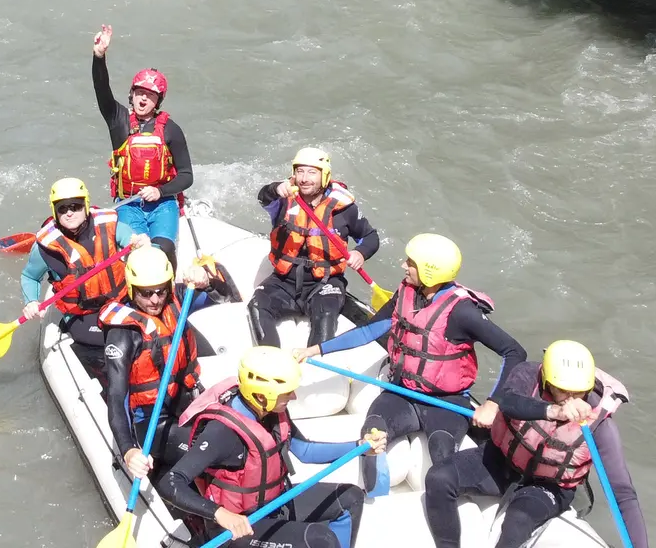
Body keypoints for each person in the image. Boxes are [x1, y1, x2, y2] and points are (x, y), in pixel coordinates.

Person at [297, 233, 527, 493]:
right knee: (371, 439)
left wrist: (492, 404)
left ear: (430, 271)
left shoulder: (462, 312)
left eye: (410, 262)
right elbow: (369, 331)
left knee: (443, 460)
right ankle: (377, 500)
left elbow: (514, 352)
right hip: (401, 394)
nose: (403, 266)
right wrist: (316, 349)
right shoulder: (407, 292)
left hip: (447, 403)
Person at [423, 339, 649, 548]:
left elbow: (623, 494)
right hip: (501, 461)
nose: (570, 398)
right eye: (561, 390)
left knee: (517, 522)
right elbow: (509, 402)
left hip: (549, 486)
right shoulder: (527, 375)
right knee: (438, 478)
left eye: (578, 392)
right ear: (545, 380)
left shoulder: (601, 426)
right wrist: (554, 411)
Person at [158, 346, 385, 547]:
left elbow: (305, 451)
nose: (294, 396)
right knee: (320, 539)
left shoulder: (271, 412)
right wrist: (220, 514)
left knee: (351, 497)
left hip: (275, 504)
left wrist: (359, 447)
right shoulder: (222, 433)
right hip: (237, 529)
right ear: (261, 395)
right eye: (287, 392)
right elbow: (171, 482)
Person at [248, 148, 378, 349]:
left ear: (325, 175)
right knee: (257, 305)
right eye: (300, 171)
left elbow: (370, 237)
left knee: (325, 315)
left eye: (312, 172)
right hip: (284, 281)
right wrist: (275, 188)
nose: (304, 179)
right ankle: (270, 360)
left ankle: (313, 368)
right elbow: (263, 196)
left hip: (324, 283)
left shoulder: (344, 208)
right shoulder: (282, 199)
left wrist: (360, 253)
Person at [20, 177, 146, 378]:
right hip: (82, 316)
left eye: (75, 206)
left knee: (142, 332)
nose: (69, 213)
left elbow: (136, 245)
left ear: (86, 206)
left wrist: (142, 244)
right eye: (62, 209)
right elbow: (29, 276)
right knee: (109, 341)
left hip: (120, 301)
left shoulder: (110, 227)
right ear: (55, 212)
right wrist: (31, 302)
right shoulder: (44, 247)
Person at [100, 245, 208, 479]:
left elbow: (222, 292)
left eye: (160, 291)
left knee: (233, 436)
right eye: (145, 293)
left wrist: (205, 275)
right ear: (131, 289)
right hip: (151, 421)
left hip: (186, 401)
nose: (155, 300)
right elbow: (116, 399)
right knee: (208, 456)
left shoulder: (177, 297)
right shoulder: (122, 334)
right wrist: (128, 451)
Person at [93, 24, 193, 267]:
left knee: (164, 248)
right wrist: (99, 57)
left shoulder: (171, 129)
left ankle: (167, 295)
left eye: (150, 95)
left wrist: (161, 191)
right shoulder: (118, 121)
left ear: (158, 100)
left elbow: (187, 176)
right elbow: (102, 89)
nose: (143, 98)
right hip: (129, 203)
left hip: (162, 203)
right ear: (132, 94)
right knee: (138, 250)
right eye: (139, 92)